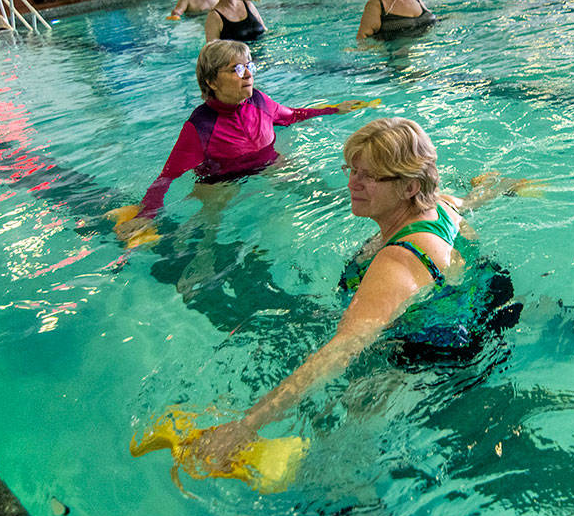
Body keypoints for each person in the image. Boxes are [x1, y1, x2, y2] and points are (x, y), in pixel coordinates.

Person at [181, 118, 523, 473]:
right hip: (483, 311)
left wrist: (245, 425)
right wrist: (499, 187)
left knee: (333, 454)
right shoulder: (441, 207)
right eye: (352, 170)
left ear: (409, 187)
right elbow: (468, 201)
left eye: (369, 176)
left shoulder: (397, 261)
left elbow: (341, 350)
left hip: (434, 362)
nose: (352, 183)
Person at [111, 40, 366, 243]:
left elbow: (292, 115)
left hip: (267, 162)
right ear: (211, 81)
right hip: (219, 180)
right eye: (237, 69)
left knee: (316, 189)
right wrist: (147, 215)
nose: (248, 75)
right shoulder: (199, 127)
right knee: (210, 232)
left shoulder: (260, 102)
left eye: (249, 66)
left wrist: (334, 109)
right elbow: (166, 177)